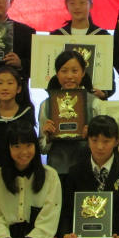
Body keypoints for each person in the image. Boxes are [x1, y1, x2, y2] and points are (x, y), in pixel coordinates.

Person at [38, 50, 101, 178]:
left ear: (83, 73)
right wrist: (48, 138)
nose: (69, 76)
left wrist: (90, 137)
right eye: (64, 71)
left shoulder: (95, 103)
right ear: (57, 74)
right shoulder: (47, 104)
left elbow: (103, 143)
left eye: (74, 71)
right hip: (57, 171)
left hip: (87, 170)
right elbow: (42, 149)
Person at [51, 0, 113, 100]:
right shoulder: (56, 36)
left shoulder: (102, 36)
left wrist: (104, 93)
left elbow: (110, 80)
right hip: (63, 100)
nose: (77, 7)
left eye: (82, 2)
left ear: (91, 5)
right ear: (66, 6)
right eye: (72, 3)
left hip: (94, 101)